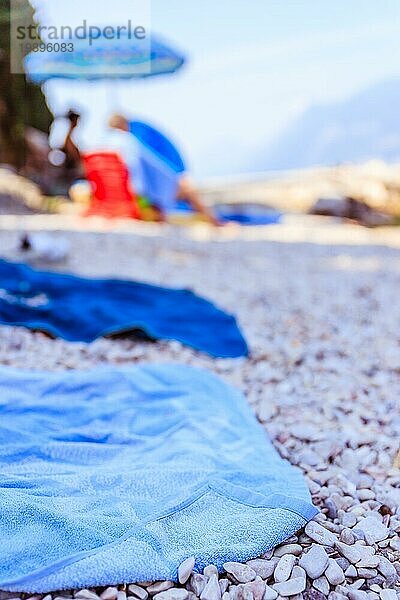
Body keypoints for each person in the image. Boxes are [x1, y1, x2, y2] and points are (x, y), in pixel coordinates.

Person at [108, 114, 219, 225]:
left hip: (125, 195)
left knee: (182, 186)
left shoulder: (110, 148)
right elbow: (142, 174)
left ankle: (212, 222)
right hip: (143, 197)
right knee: (186, 186)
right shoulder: (131, 142)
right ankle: (215, 223)